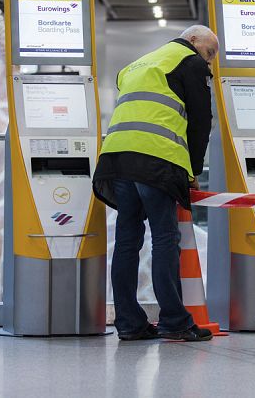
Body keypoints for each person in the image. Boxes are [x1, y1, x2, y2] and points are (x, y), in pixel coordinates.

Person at [93, 25, 219, 342]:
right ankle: (175, 320)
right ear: (192, 41)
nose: (210, 63)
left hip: (117, 160)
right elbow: (202, 121)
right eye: (210, 53)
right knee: (164, 239)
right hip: (156, 159)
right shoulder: (190, 62)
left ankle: (129, 322)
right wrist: (192, 169)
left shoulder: (139, 63)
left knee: (126, 241)